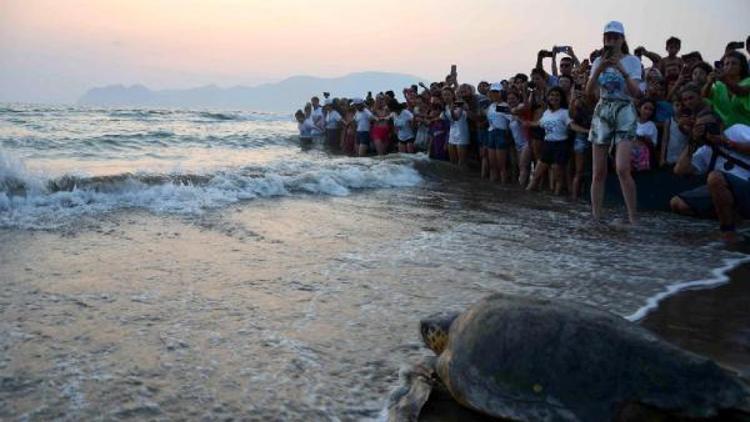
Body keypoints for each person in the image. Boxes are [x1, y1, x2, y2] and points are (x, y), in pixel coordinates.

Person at [586, 20, 643, 224]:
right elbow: (589, 92)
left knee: (621, 168)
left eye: (614, 37)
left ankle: (633, 218)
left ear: (622, 39)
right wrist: (600, 68)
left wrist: (620, 68)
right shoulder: (597, 62)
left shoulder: (632, 61)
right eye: (607, 37)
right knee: (598, 171)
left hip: (624, 108)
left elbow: (636, 92)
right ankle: (596, 217)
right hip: (603, 109)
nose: (610, 40)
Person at [672, 122, 750, 243]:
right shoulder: (705, 151)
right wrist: (693, 141)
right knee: (678, 203)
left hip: (745, 185)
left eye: (708, 125)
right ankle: (732, 218)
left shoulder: (736, 131)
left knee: (715, 177)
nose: (706, 129)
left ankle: (728, 231)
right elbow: (680, 170)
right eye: (700, 127)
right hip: (722, 189)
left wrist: (727, 143)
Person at [525, 87, 571, 194]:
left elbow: (571, 125)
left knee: (557, 175)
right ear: (548, 97)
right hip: (547, 144)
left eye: (557, 95)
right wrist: (524, 122)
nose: (554, 97)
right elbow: (538, 123)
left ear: (561, 98)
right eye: (552, 95)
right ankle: (526, 193)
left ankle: (556, 196)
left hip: (560, 144)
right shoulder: (546, 112)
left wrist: (587, 131)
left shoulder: (565, 112)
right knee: (536, 173)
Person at [702, 50, 750, 128]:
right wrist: (709, 83)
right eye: (726, 64)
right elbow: (704, 96)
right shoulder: (719, 85)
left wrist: (725, 80)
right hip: (726, 131)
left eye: (734, 63)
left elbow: (741, 92)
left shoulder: (748, 81)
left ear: (742, 67)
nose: (729, 66)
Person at [486, 83, 512, 183]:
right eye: (493, 92)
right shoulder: (491, 106)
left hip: (501, 133)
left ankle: (503, 185)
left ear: (501, 93)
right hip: (491, 132)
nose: (494, 94)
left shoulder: (505, 106)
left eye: (496, 92)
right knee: (492, 164)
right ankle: (494, 186)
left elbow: (511, 118)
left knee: (501, 165)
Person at [442, 87, 470, 167]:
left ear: (452, 95)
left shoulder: (459, 104)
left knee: (461, 162)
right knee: (452, 162)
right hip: (452, 133)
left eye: (448, 95)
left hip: (462, 133)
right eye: (444, 95)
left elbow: (456, 117)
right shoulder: (446, 106)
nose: (446, 97)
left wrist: (451, 110)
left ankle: (463, 178)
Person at [632, 98, 658, 171]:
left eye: (650, 109)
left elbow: (654, 144)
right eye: (645, 108)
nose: (647, 111)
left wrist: (646, 139)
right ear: (639, 109)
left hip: (643, 154)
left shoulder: (652, 125)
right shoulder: (632, 122)